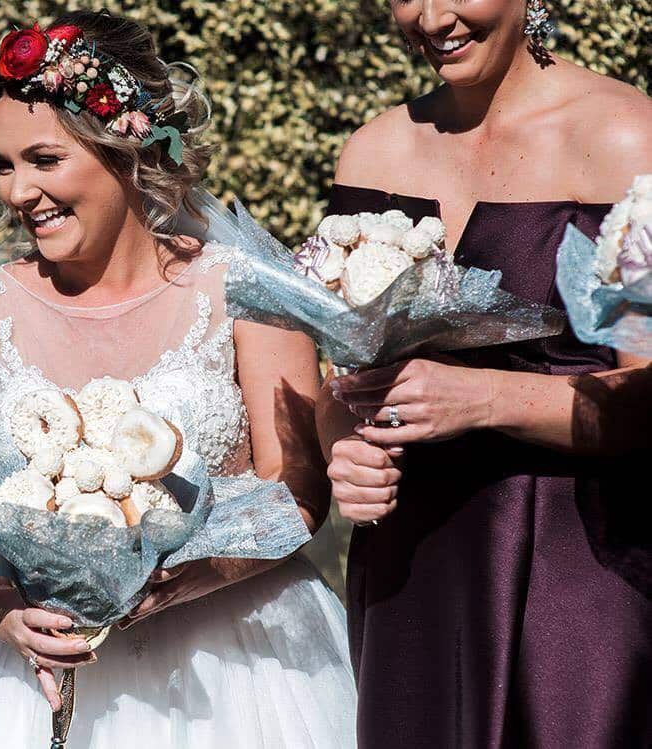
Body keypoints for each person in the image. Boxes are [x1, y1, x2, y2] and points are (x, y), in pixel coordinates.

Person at [0, 10, 355, 748]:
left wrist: (183, 580)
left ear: (124, 144)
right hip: (47, 684)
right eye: (2, 164)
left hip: (249, 671)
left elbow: (297, 491)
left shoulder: (243, 292)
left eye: (44, 159)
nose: (18, 191)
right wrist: (5, 617)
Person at [316, 1, 652, 746]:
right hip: (408, 570)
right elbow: (342, 380)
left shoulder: (624, 139)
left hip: (577, 567)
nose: (431, 17)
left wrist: (485, 397)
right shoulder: (374, 151)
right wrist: (345, 446)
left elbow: (648, 389)